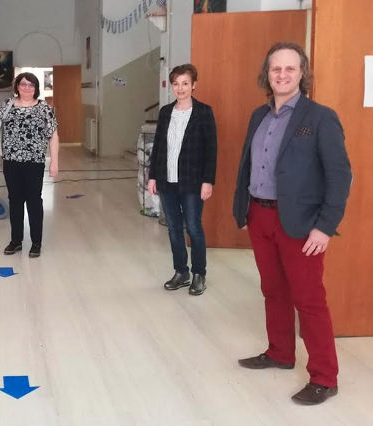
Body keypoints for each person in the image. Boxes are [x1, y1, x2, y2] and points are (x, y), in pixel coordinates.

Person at [233, 42, 352, 405]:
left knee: (309, 300)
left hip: (301, 224)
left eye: (290, 68)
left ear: (302, 73)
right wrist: (243, 209)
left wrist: (325, 226)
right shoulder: (259, 115)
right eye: (276, 69)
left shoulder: (320, 118)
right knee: (273, 290)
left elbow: (340, 176)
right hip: (260, 216)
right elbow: (247, 164)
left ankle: (324, 377)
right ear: (266, 74)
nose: (282, 75)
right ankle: (280, 352)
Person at [147, 64, 217, 296]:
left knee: (193, 227)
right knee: (174, 229)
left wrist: (208, 181)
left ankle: (199, 273)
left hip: (193, 182)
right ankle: (181, 272)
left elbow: (211, 150)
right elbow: (158, 146)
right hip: (167, 180)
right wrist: (152, 176)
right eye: (176, 84)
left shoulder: (204, 112)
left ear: (194, 85)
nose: (180, 88)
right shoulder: (166, 112)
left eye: (185, 83)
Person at [0, 72, 59, 258]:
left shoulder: (44, 108)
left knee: (34, 201)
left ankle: (36, 243)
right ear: (17, 86)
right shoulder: (7, 105)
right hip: (11, 161)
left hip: (34, 162)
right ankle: (16, 241)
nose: (27, 88)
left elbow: (53, 136)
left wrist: (54, 162)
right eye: (23, 84)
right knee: (15, 200)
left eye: (31, 85)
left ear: (36, 88)